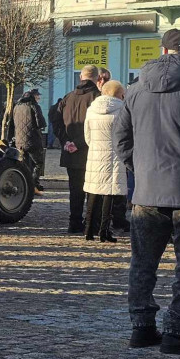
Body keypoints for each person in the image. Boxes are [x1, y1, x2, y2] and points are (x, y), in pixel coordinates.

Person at [113, 29, 180, 353]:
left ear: (162, 51)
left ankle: (141, 328)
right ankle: (177, 332)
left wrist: (139, 170)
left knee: (143, 263)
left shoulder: (135, 90)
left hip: (147, 192)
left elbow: (121, 141)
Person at [54, 65, 102, 233]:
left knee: (75, 189)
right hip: (90, 152)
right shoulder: (97, 97)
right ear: (97, 78)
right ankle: (91, 224)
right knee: (93, 190)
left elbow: (57, 122)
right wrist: (79, 143)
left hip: (70, 152)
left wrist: (66, 141)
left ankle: (74, 222)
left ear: (81, 77)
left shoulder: (68, 97)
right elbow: (97, 126)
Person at [84, 80, 128, 243]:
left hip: (95, 154)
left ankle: (88, 230)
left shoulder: (91, 109)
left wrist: (95, 146)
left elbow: (87, 136)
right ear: (119, 94)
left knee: (93, 191)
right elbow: (125, 135)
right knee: (109, 193)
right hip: (114, 156)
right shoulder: (121, 110)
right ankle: (104, 231)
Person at [13, 88, 47, 194]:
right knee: (38, 163)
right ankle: (33, 185)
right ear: (33, 97)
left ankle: (24, 184)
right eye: (37, 96)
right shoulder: (34, 106)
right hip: (32, 140)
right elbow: (40, 123)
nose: (39, 98)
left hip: (19, 141)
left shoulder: (17, 106)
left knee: (24, 164)